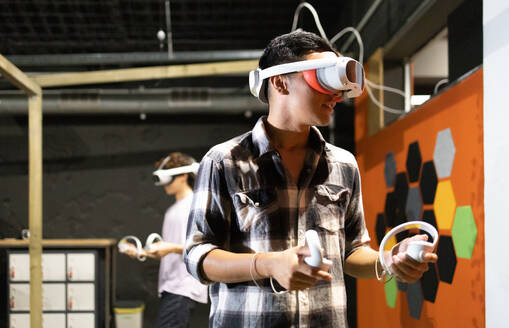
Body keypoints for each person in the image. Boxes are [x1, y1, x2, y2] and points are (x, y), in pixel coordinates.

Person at [183, 30, 437, 328]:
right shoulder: (224, 160)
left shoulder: (343, 164)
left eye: (340, 85)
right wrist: (268, 264)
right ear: (280, 82)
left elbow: (352, 252)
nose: (337, 95)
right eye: (324, 80)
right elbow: (197, 256)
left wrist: (388, 259)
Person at [120, 152, 208, 328]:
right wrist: (140, 252)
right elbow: (168, 251)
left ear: (184, 175)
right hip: (170, 287)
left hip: (184, 287)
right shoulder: (172, 211)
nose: (163, 184)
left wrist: (169, 247)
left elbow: (203, 249)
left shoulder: (195, 206)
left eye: (168, 177)